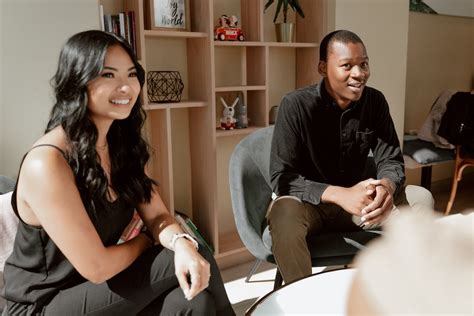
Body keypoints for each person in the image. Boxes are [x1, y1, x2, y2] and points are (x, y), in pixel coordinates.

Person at [2, 30, 234, 315]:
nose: (126, 87)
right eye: (109, 75)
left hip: (101, 292)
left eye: (132, 74)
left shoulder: (118, 147)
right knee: (186, 257)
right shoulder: (47, 162)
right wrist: (149, 240)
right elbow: (97, 267)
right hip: (43, 305)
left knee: (195, 300)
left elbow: (158, 216)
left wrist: (180, 242)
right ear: (78, 82)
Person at [268, 30, 434, 284]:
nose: (359, 74)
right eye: (347, 66)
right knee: (283, 212)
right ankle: (299, 299)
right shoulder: (295, 105)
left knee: (421, 198)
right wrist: (340, 194)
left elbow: (390, 159)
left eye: (364, 64)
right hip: (311, 208)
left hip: (361, 207)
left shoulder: (375, 102)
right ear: (323, 68)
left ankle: (404, 291)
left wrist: (386, 188)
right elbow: (282, 177)